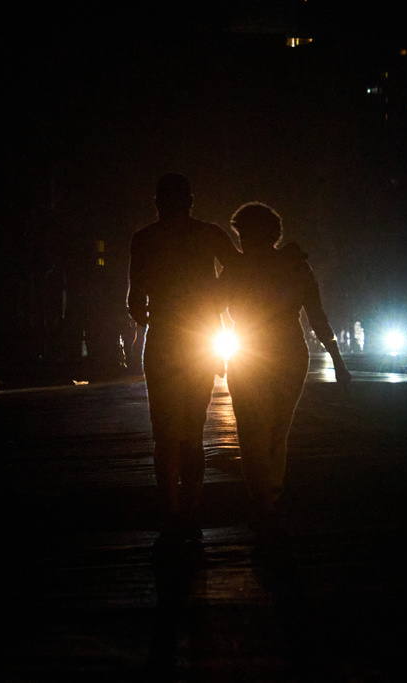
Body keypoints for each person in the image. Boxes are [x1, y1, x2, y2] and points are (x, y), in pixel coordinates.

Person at [126, 173, 241, 543]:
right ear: (190, 201)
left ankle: (170, 508)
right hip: (198, 339)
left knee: (163, 430)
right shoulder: (209, 234)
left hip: (162, 340)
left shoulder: (143, 239)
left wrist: (155, 310)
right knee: (192, 428)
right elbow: (240, 269)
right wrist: (215, 300)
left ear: (157, 202)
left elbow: (135, 303)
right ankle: (191, 508)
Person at [222, 202, 350, 529]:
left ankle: (262, 497)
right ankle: (271, 494)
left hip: (248, 352)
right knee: (278, 429)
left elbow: (208, 305)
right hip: (290, 353)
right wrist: (337, 359)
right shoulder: (296, 266)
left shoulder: (236, 268)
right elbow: (317, 317)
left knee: (251, 428)